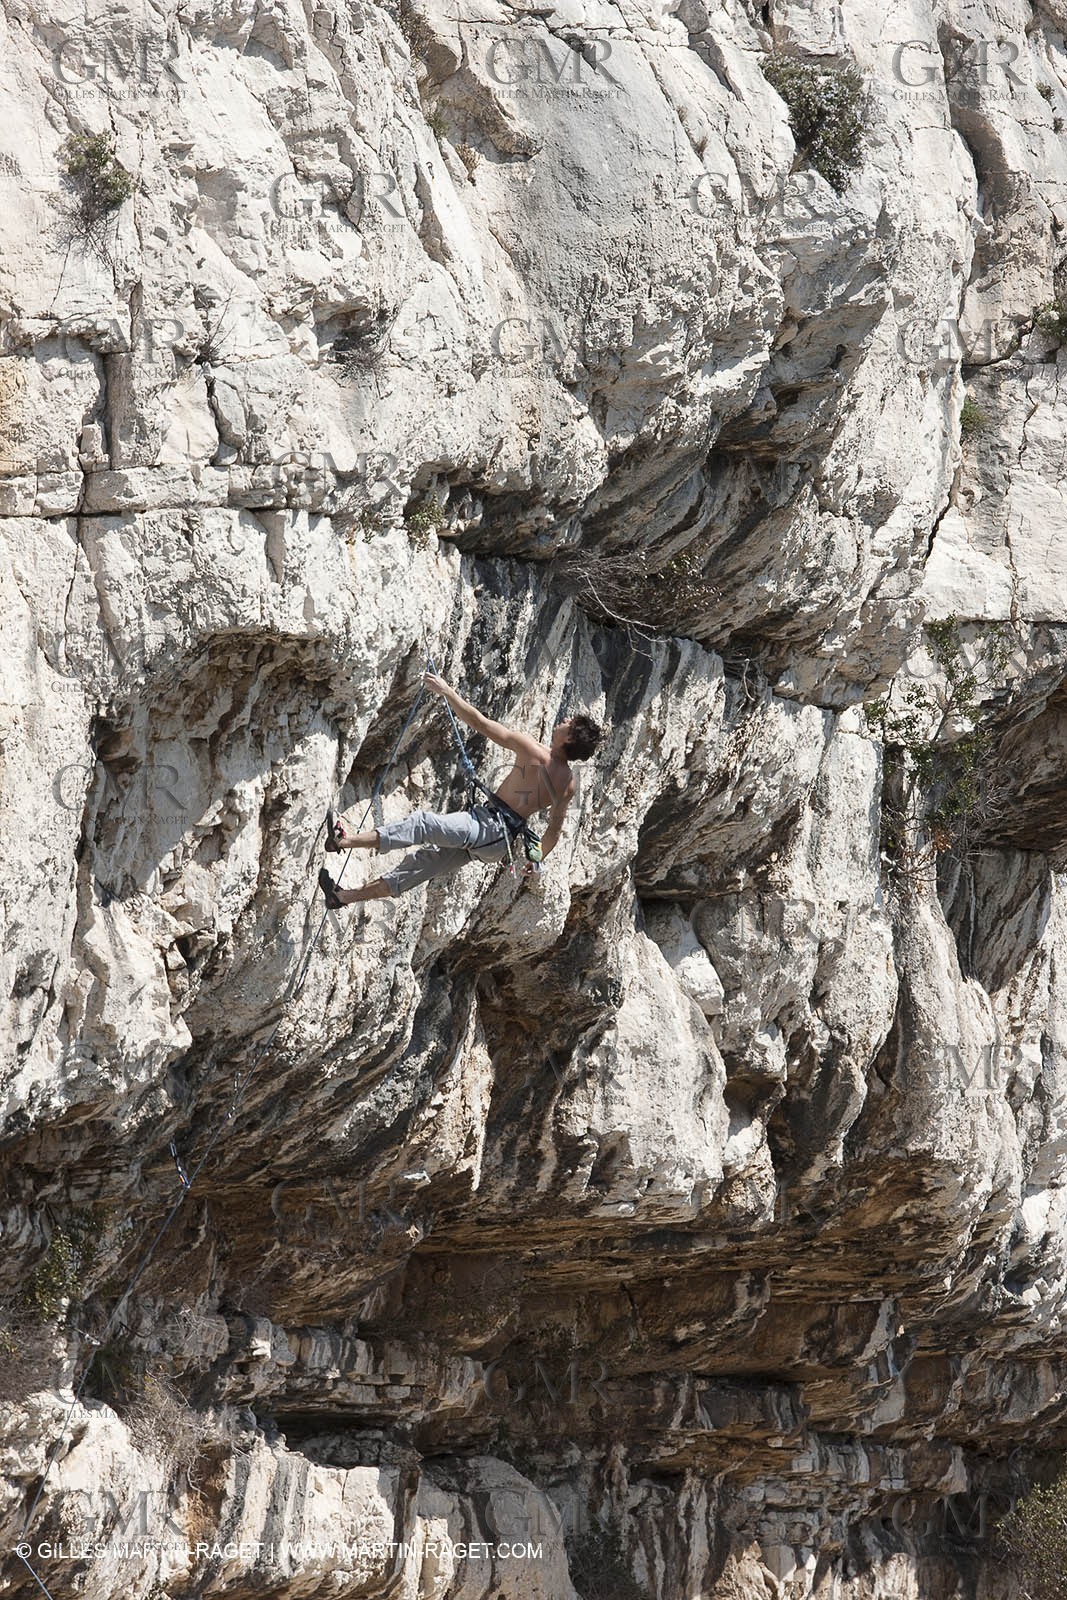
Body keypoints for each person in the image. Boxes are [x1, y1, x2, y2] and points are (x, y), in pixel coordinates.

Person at [317, 672, 602, 908]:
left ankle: (342, 841)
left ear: (569, 738)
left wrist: (447, 692)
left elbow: (480, 723)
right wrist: (536, 861)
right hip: (497, 845)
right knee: (421, 865)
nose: (563, 721)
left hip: (487, 826)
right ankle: (342, 897)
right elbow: (553, 831)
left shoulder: (534, 751)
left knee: (423, 824)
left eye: (569, 724)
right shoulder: (569, 784)